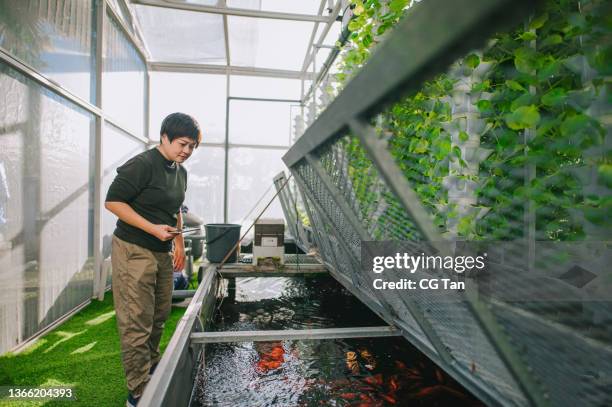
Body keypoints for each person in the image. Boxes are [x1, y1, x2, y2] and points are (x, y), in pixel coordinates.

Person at [104, 112, 201, 406]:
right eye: (182, 143)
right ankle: (138, 392)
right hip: (134, 249)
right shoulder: (142, 165)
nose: (186, 151)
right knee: (137, 321)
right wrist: (152, 229)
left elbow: (176, 211)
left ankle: (151, 370)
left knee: (159, 315)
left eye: (192, 147)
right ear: (164, 137)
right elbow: (113, 202)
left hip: (163, 251)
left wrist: (180, 245)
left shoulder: (180, 172)